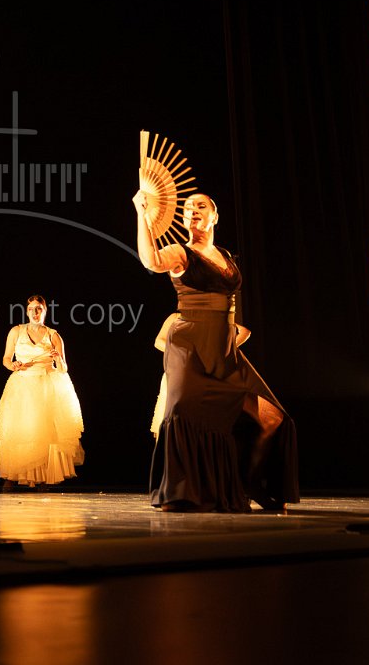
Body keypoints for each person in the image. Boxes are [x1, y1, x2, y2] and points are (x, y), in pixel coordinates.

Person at [135, 189, 299, 512]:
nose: (193, 210)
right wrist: (141, 214)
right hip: (189, 345)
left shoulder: (224, 254)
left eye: (200, 205)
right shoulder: (180, 253)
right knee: (183, 414)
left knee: (273, 418)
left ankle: (249, 483)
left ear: (215, 216)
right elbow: (151, 261)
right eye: (187, 207)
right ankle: (179, 492)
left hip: (224, 351)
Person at [0, 295, 84, 488]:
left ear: (45, 311)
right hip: (23, 384)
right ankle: (13, 475)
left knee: (45, 432)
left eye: (38, 309)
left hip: (46, 384)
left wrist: (58, 358)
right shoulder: (16, 331)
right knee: (22, 429)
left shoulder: (53, 335)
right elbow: (6, 358)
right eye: (31, 309)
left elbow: (63, 368)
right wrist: (13, 365)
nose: (34, 313)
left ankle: (44, 476)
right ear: (26, 311)